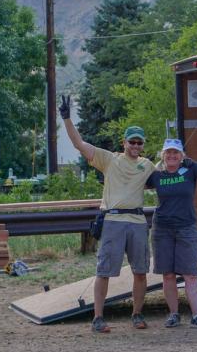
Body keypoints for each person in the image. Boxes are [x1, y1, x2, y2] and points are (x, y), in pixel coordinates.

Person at [59, 95, 155, 333]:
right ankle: (98, 318)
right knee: (104, 272)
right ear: (124, 143)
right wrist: (67, 118)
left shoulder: (148, 166)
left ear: (143, 145)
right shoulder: (109, 159)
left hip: (137, 221)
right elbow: (79, 144)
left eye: (139, 143)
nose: (135, 146)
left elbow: (172, 170)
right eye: (131, 142)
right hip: (113, 219)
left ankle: (137, 314)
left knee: (140, 271)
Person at [146, 129, 197, 329]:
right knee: (168, 274)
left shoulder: (190, 170)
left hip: (186, 227)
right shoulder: (156, 175)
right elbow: (132, 180)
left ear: (182, 156)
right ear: (163, 156)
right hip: (162, 229)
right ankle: (173, 314)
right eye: (168, 153)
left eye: (176, 153)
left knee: (190, 274)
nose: (172, 156)